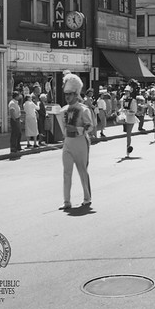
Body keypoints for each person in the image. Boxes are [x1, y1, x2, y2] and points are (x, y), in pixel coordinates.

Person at [58, 73, 93, 210]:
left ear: (76, 94)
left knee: (82, 170)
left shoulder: (84, 109)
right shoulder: (63, 110)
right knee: (66, 172)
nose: (67, 97)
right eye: (66, 94)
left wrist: (77, 129)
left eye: (70, 94)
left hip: (80, 143)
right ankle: (66, 201)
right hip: (68, 143)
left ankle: (87, 197)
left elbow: (90, 126)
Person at [118, 81, 139, 155]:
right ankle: (128, 148)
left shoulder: (133, 101)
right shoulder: (123, 100)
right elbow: (121, 108)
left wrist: (127, 112)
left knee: (128, 134)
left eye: (127, 92)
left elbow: (134, 111)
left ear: (130, 92)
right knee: (127, 133)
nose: (126, 93)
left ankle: (128, 149)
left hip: (130, 118)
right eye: (125, 91)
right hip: (124, 118)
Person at [8, 91, 22, 156]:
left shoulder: (16, 102)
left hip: (17, 119)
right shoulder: (12, 103)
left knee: (19, 133)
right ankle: (13, 148)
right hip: (15, 120)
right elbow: (12, 112)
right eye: (19, 95)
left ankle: (18, 146)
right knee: (15, 133)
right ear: (16, 96)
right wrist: (15, 119)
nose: (20, 96)